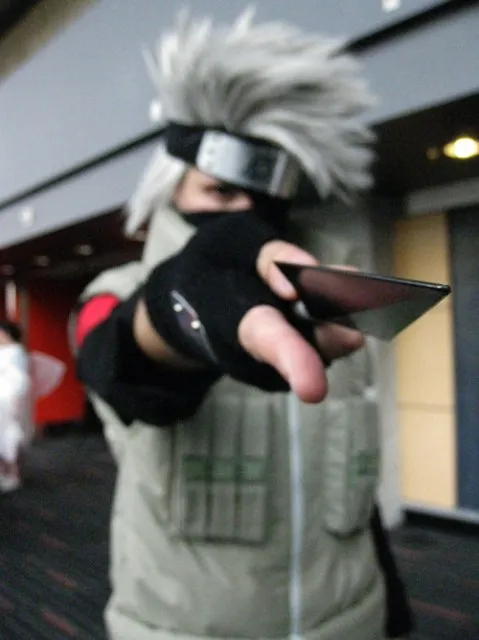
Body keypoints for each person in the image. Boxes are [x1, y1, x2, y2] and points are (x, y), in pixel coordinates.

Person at [71, 10, 413, 640]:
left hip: (353, 621)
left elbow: (352, 486)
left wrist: (390, 605)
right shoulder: (111, 295)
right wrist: (180, 306)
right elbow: (115, 361)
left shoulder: (332, 300)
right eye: (219, 193)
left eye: (260, 200)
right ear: (171, 190)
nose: (244, 215)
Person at [0, 321, 32, 492]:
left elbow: (20, 379)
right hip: (2, 401)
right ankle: (4, 472)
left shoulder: (15, 352)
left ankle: (13, 475)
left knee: (10, 439)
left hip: (9, 401)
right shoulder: (4, 351)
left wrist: (17, 401)